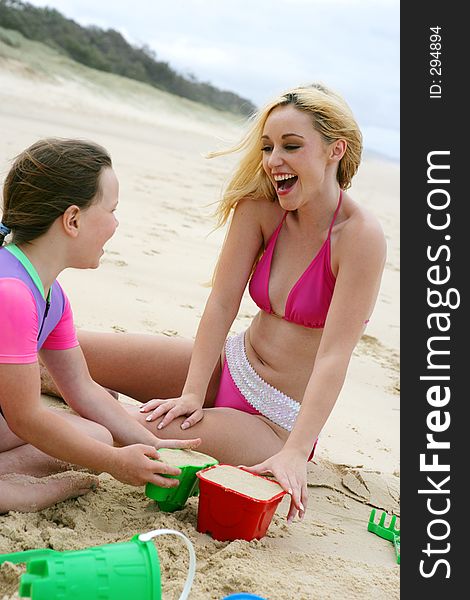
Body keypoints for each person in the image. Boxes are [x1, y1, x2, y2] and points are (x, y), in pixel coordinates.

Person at [42, 84, 387, 523]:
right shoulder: (262, 208)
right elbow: (222, 304)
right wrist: (190, 391)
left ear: (335, 150)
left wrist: (297, 451)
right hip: (229, 364)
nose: (273, 160)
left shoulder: (360, 238)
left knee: (111, 428)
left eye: (291, 146)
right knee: (59, 352)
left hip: (272, 420)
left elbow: (335, 355)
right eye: (267, 146)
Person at [0, 138, 200, 514]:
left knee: (96, 435)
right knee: (94, 449)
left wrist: (149, 444)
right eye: (111, 210)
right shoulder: (11, 293)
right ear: (72, 220)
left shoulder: (50, 294)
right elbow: (25, 417)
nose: (116, 223)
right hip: (12, 413)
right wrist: (114, 463)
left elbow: (81, 388)